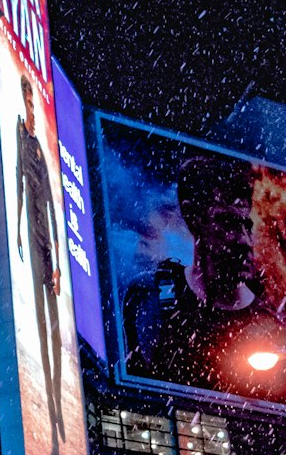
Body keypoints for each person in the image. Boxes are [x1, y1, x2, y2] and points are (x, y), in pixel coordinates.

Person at [122, 154, 286, 400]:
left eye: (246, 225)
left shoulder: (273, 331)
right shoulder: (149, 295)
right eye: (227, 222)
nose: (244, 241)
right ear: (193, 218)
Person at [14, 72, 65, 455]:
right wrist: (16, 228)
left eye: (34, 103)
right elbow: (19, 184)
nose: (31, 109)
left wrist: (60, 264)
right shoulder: (19, 136)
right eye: (27, 101)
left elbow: (52, 206)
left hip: (47, 238)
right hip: (31, 235)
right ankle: (48, 399)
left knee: (57, 329)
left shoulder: (42, 150)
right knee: (42, 317)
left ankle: (58, 405)